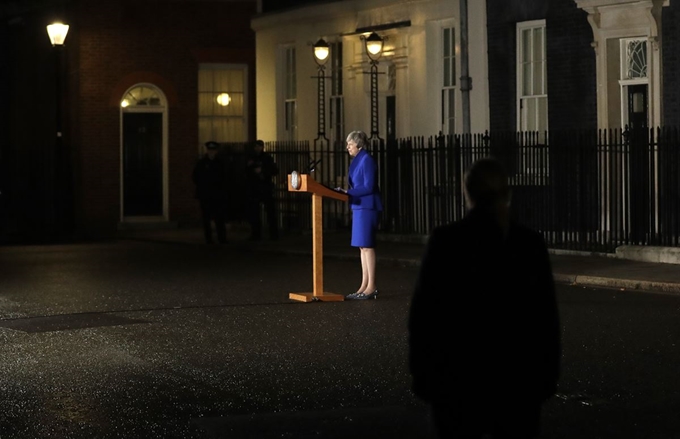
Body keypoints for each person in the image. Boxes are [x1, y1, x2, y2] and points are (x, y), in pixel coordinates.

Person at [408, 157, 561, 439]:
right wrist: (546, 377)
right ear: (507, 194)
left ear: (467, 194)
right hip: (517, 382)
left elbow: (424, 314)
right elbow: (545, 318)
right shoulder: (528, 244)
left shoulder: (446, 241)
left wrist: (423, 374)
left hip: (457, 381)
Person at [335, 130, 383, 300]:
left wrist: (349, 192)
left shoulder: (367, 160)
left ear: (359, 144)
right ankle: (364, 285)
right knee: (362, 247)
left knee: (367, 246)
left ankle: (371, 286)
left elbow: (369, 186)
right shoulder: (358, 160)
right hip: (359, 206)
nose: (347, 146)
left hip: (368, 206)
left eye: (350, 143)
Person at [192, 141, 228, 244]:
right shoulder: (201, 163)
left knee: (219, 217)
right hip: (206, 194)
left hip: (217, 194)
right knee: (206, 218)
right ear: (207, 151)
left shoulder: (220, 163)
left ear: (216, 151)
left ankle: (222, 238)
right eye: (210, 150)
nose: (211, 152)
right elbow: (195, 177)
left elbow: (224, 177)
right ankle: (209, 239)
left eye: (213, 150)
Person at [245, 139, 279, 241]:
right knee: (254, 212)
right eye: (256, 146)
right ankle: (256, 234)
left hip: (265, 187)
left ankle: (273, 234)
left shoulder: (267, 158)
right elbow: (246, 171)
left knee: (270, 212)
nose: (258, 148)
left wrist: (263, 171)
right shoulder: (251, 158)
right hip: (254, 188)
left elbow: (274, 170)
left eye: (259, 146)